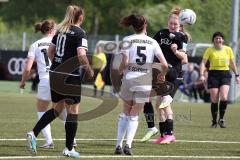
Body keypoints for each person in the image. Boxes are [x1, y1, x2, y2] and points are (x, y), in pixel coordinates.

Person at [26, 5, 94, 158]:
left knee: (57, 109)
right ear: (81, 18)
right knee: (73, 111)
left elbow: (51, 52)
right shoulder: (80, 33)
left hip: (55, 73)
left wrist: (58, 65)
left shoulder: (60, 30)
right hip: (71, 76)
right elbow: (82, 54)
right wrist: (89, 69)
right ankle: (69, 149)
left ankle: (33, 132)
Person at [114, 14, 168, 155]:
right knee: (134, 115)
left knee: (125, 112)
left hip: (129, 79)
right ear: (145, 25)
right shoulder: (152, 42)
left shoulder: (127, 40)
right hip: (144, 81)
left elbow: (124, 63)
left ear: (133, 25)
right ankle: (128, 145)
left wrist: (120, 72)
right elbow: (164, 64)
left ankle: (118, 146)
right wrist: (162, 74)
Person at [141, 7, 189, 144]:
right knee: (157, 104)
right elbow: (151, 46)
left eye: (176, 24)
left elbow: (184, 59)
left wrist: (175, 51)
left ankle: (170, 134)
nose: (173, 26)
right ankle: (163, 135)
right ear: (168, 23)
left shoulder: (182, 37)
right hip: (161, 72)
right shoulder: (161, 33)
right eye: (171, 23)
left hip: (174, 74)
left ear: (180, 25)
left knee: (163, 104)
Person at [20, 19, 56, 149]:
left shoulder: (35, 44)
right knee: (63, 108)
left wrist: (23, 82)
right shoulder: (57, 42)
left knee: (42, 110)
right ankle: (72, 140)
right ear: (51, 30)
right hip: (59, 79)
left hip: (45, 80)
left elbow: (28, 68)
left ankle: (49, 141)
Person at [199, 31, 240, 128]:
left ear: (223, 40)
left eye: (220, 38)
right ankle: (214, 121)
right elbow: (203, 63)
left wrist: (237, 75)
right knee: (214, 98)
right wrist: (201, 74)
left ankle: (221, 119)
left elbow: (232, 64)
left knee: (224, 97)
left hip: (225, 74)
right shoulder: (209, 50)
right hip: (213, 74)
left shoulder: (228, 49)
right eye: (216, 38)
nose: (218, 40)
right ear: (213, 40)